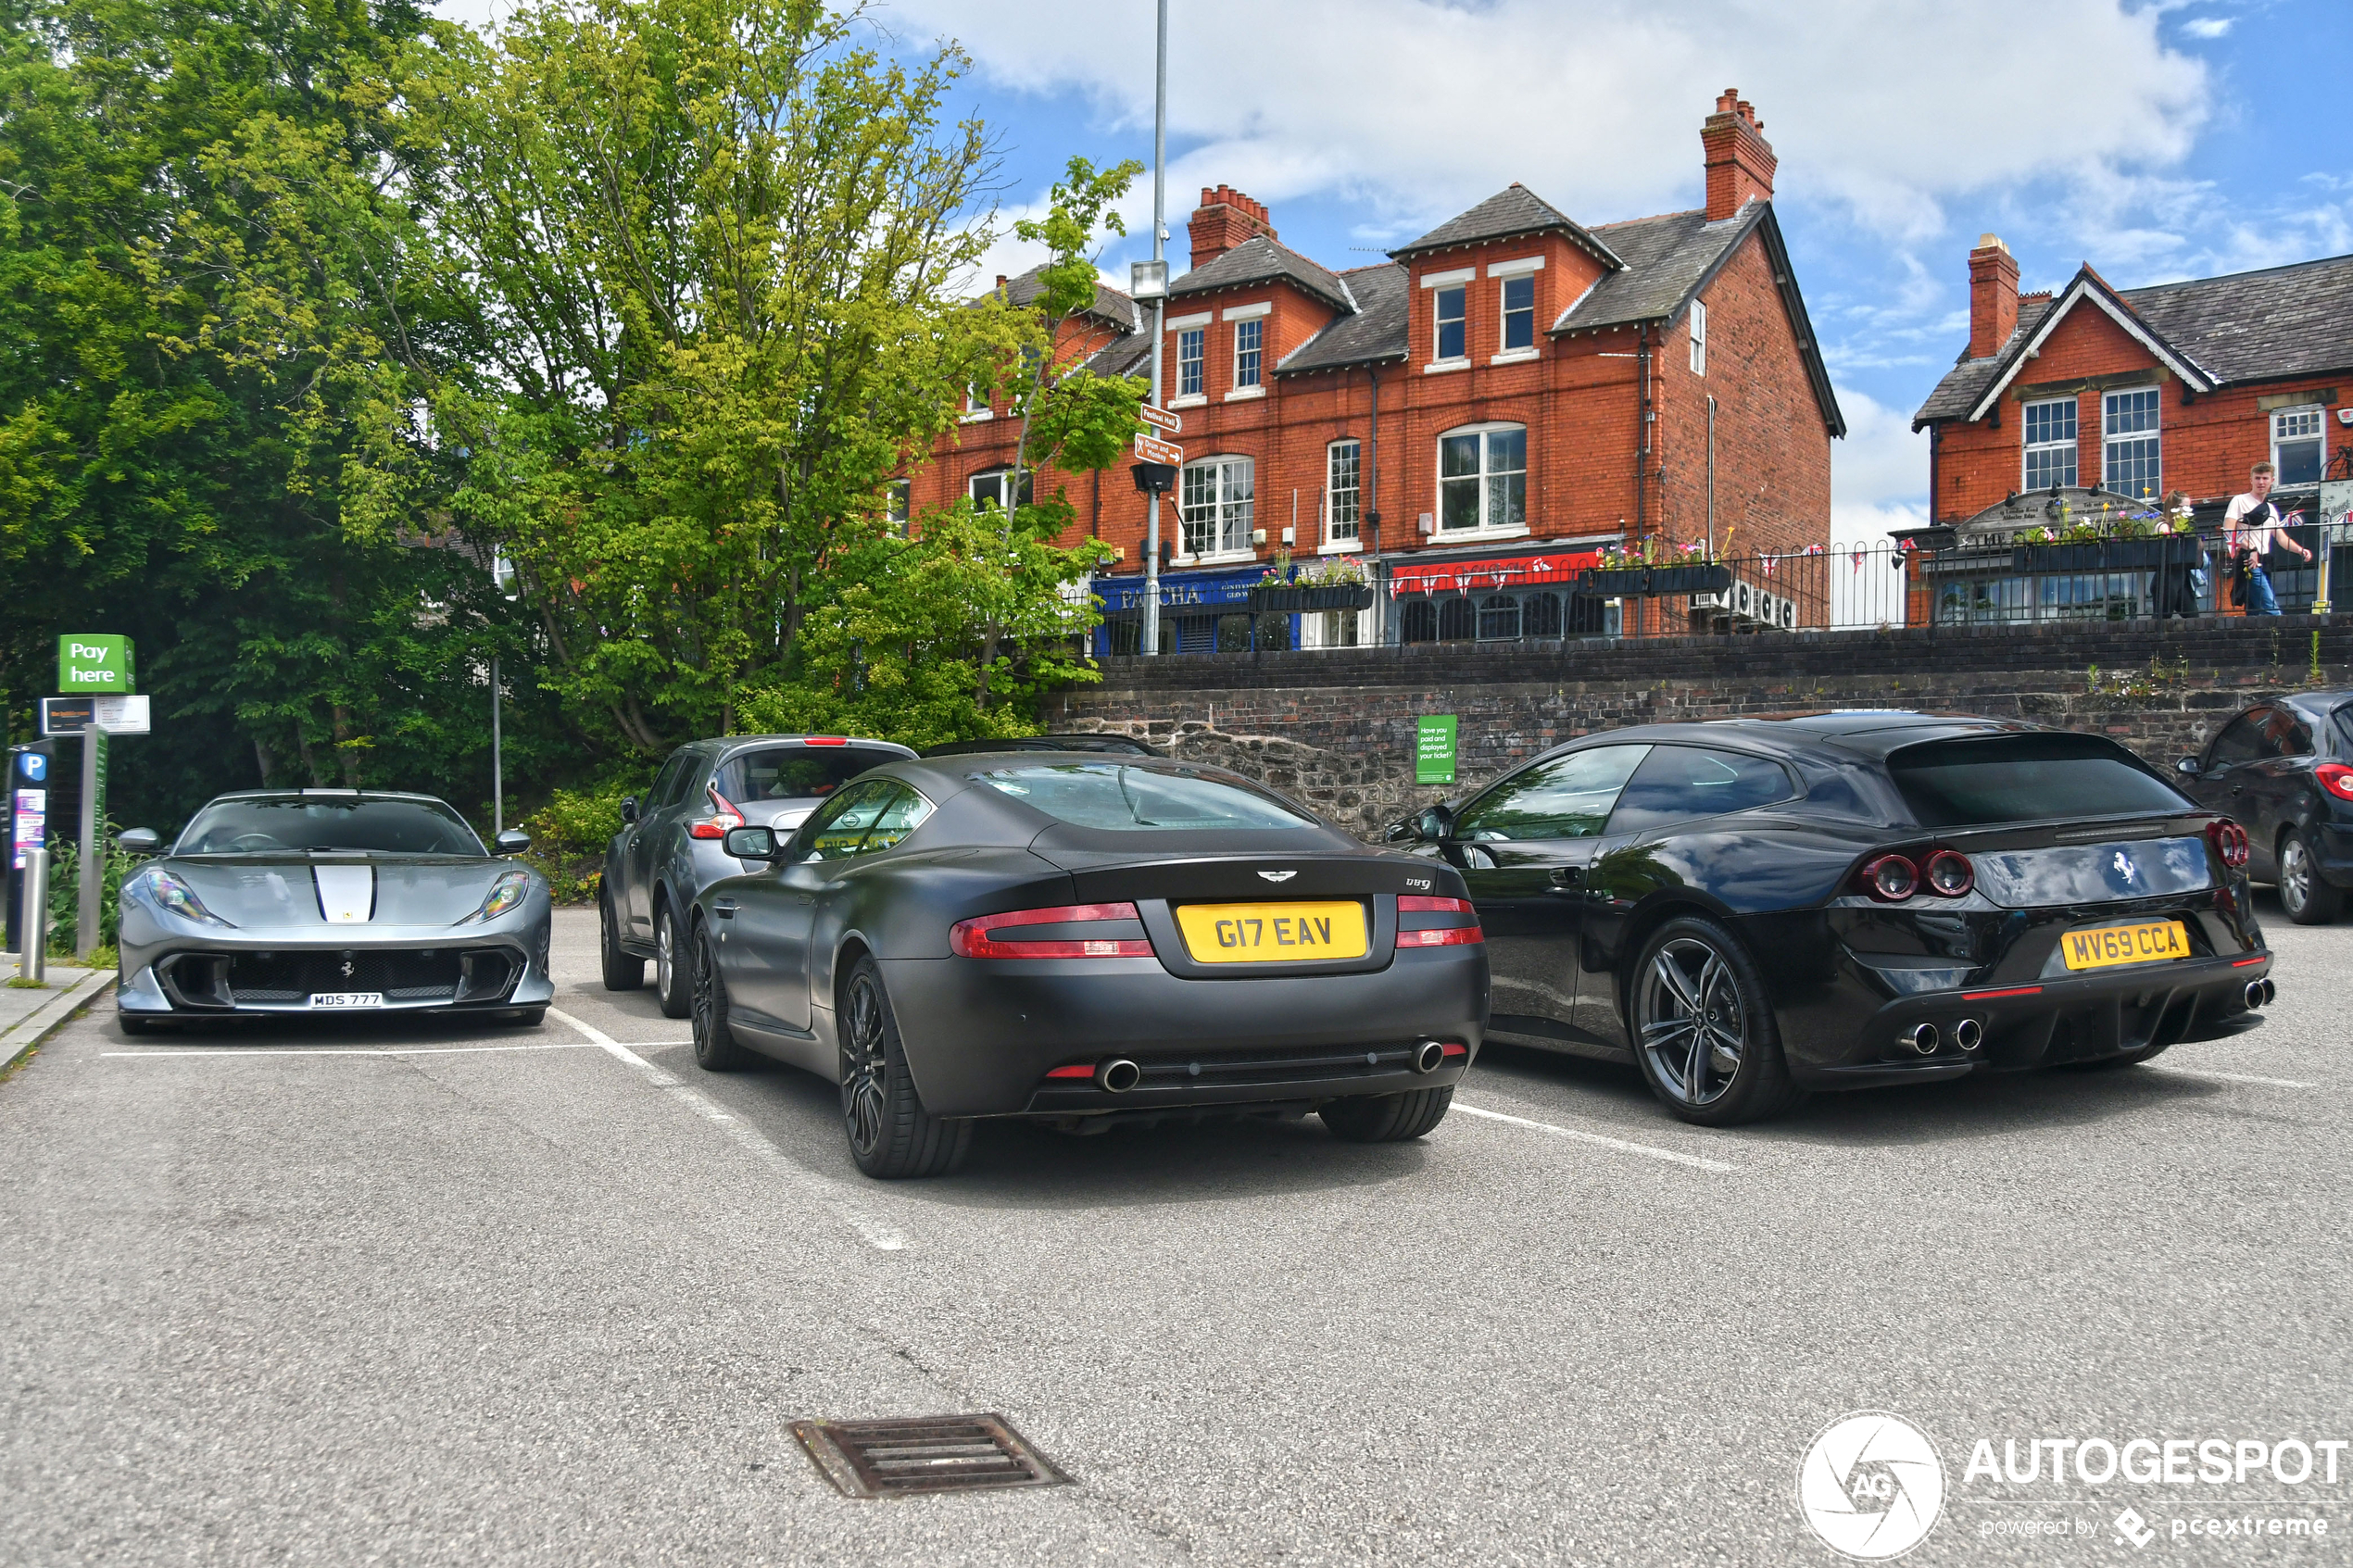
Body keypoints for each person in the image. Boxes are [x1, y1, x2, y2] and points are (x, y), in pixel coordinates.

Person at [2223, 461, 2313, 615]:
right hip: (2248, 560)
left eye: (2265, 478)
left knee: (2255, 612)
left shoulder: (2271, 509)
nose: (2261, 482)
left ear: (2272, 481)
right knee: (2272, 610)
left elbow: (2281, 538)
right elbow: (2228, 530)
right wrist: (2251, 548)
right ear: (2251, 479)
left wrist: (2300, 549)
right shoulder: (2239, 500)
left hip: (2265, 561)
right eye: (2257, 478)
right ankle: (2280, 635)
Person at [2150, 490, 2203, 618]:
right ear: (2174, 507)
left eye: (2189, 507)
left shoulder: (2184, 528)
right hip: (2167, 578)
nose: (2187, 510)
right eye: (2184, 507)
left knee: (2194, 618)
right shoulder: (2163, 525)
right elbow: (2166, 549)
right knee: (2162, 618)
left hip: (2182, 578)